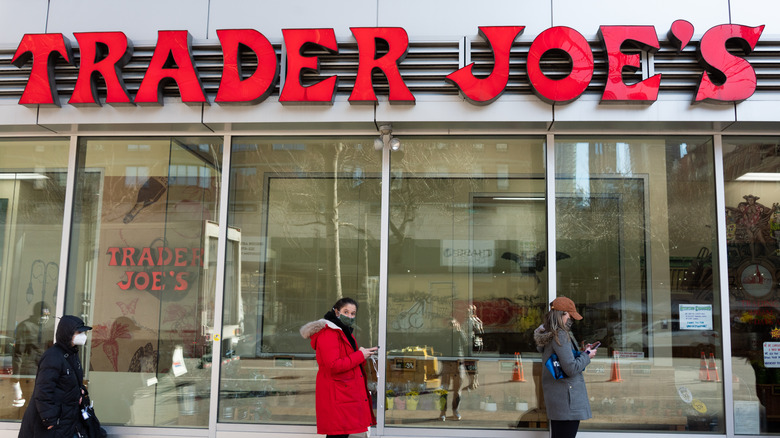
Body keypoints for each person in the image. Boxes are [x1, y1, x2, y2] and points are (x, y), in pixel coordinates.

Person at [300, 298, 377, 438]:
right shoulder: (329, 333)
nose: (349, 316)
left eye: (353, 313)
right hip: (337, 394)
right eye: (346, 312)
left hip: (343, 393)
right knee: (338, 434)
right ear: (336, 312)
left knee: (341, 433)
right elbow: (333, 365)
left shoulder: (342, 331)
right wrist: (360, 355)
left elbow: (344, 358)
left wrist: (361, 354)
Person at [19, 315, 93, 438]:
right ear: (68, 333)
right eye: (79, 332)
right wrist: (50, 420)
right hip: (53, 424)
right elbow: (43, 391)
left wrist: (79, 393)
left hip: (66, 419)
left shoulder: (72, 354)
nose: (83, 335)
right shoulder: (53, 357)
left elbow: (70, 382)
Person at [534, 297, 598, 438]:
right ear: (562, 314)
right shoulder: (560, 335)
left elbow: (563, 360)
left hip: (558, 398)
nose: (571, 320)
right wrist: (587, 356)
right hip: (567, 400)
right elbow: (570, 368)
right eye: (570, 316)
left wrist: (583, 352)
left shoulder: (549, 334)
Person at [12, 302, 55, 408]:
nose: (45, 318)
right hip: (29, 373)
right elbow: (18, 353)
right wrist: (16, 378)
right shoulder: (25, 326)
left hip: (44, 372)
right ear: (36, 314)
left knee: (41, 405)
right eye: (43, 315)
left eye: (47, 315)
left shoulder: (45, 329)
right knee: (31, 405)